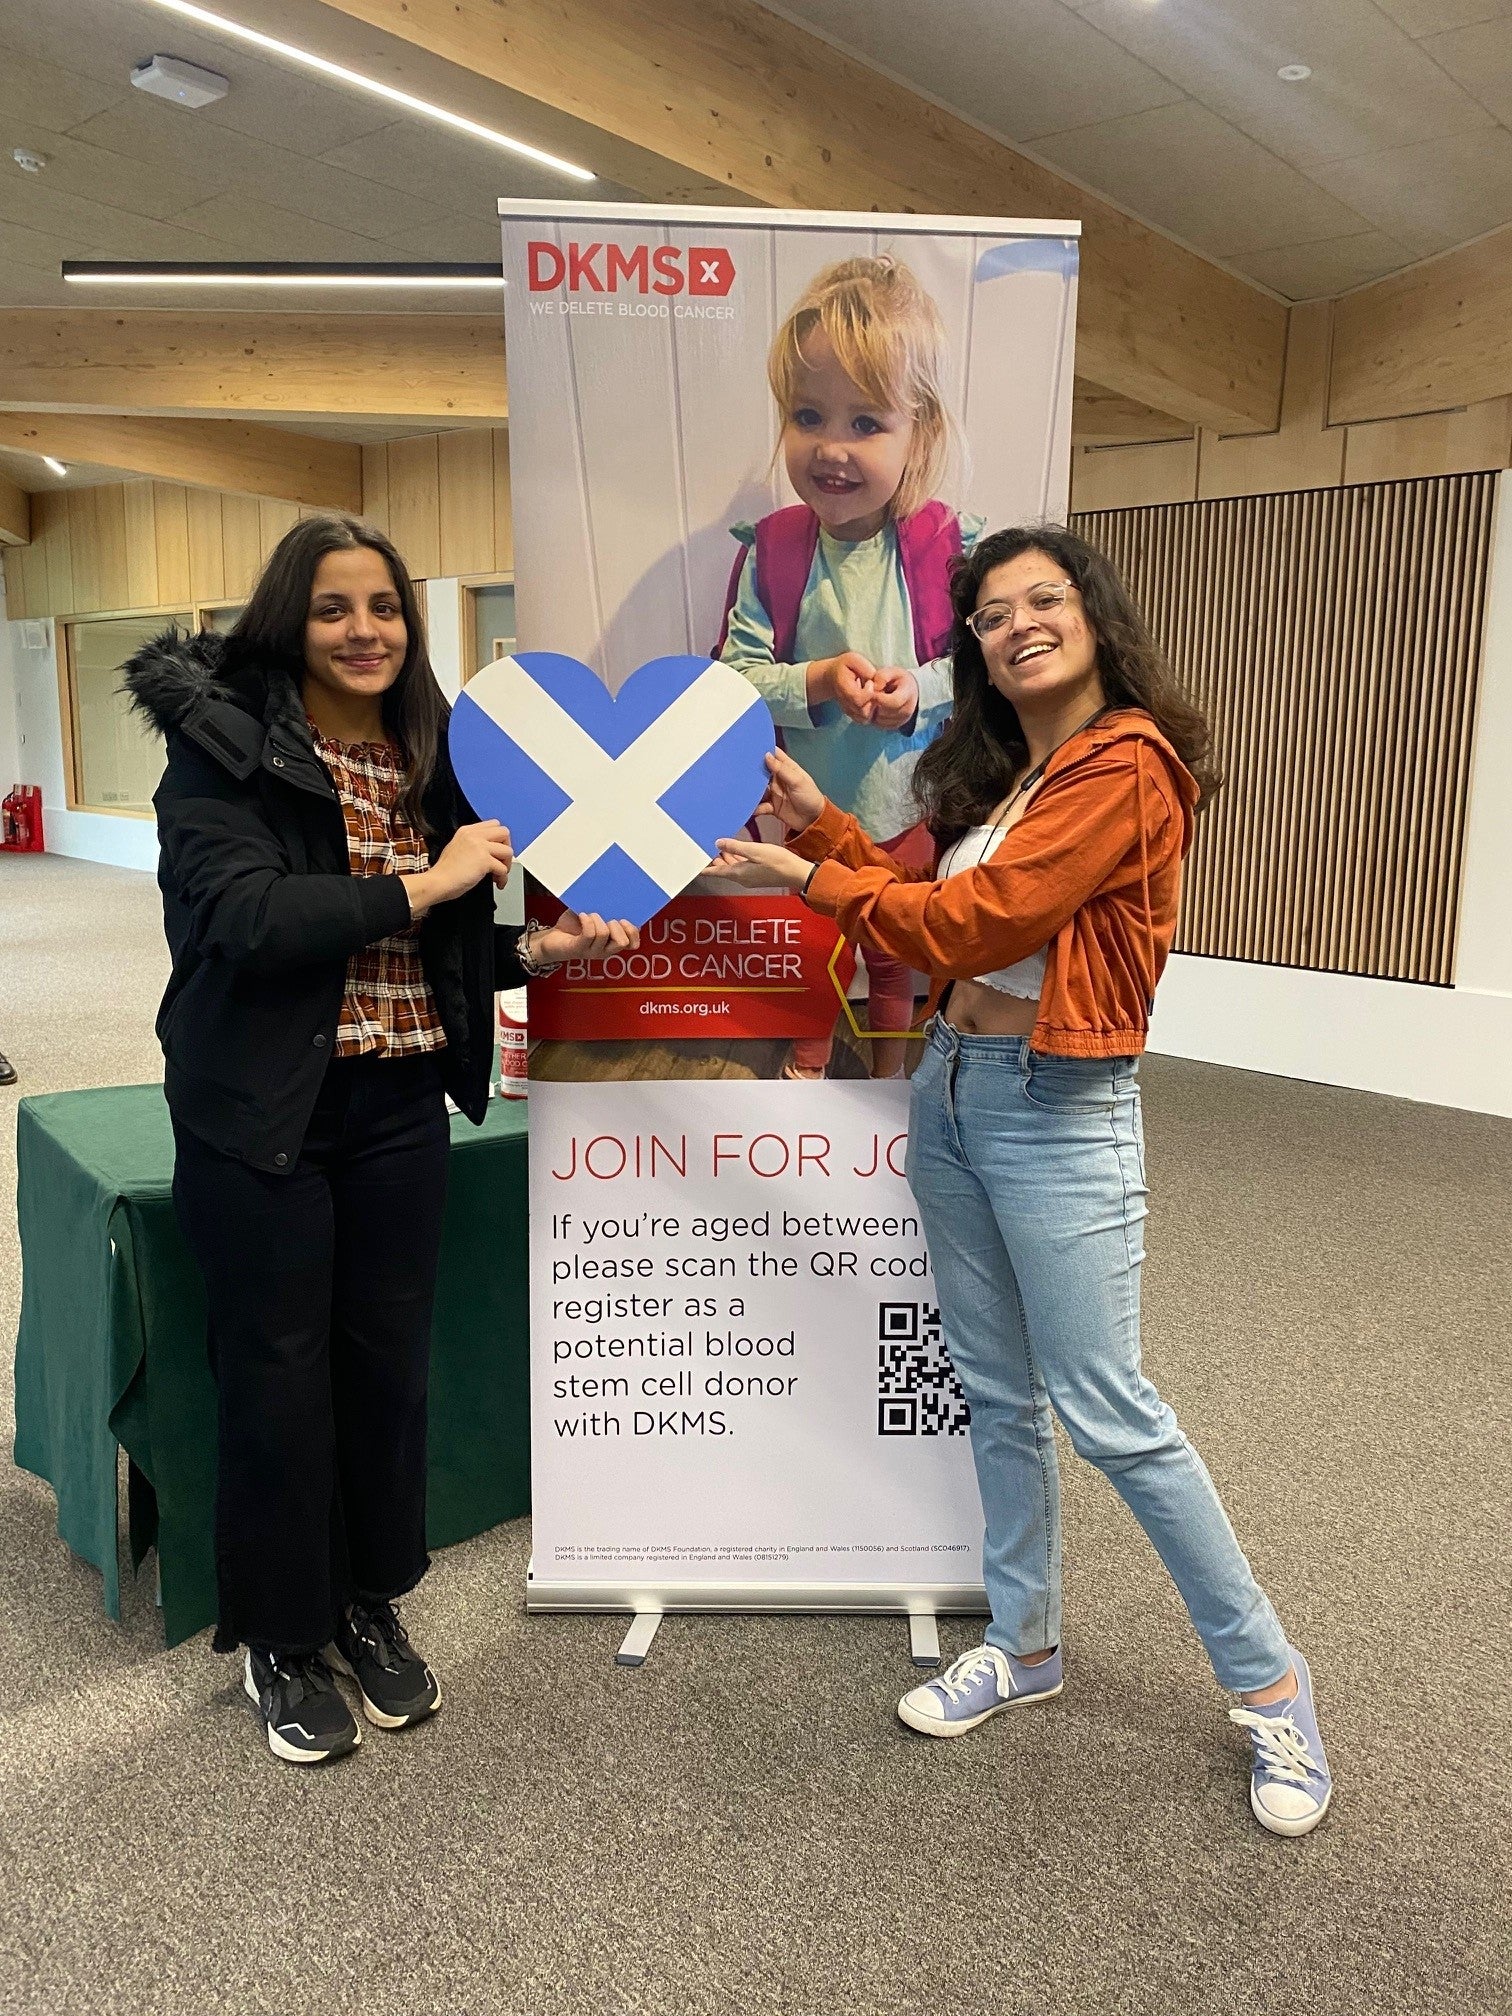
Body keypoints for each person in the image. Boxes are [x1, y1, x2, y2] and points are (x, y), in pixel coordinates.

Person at [710, 524, 1334, 1838]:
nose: (1017, 625)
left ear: (1093, 618)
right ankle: (1028, 1644)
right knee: (994, 1390)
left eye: (1043, 600)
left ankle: (1271, 1681)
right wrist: (824, 825)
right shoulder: (999, 765)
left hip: (1060, 1110)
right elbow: (910, 881)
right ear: (973, 645)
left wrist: (806, 875)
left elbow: (983, 924)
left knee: (1111, 1410)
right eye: (992, 614)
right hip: (950, 1088)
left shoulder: (1129, 765)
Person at [125, 514, 639, 1767]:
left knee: (383, 1375)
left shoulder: (432, 756)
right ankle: (279, 1637)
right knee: (279, 1381)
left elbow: (438, 958)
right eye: (335, 608)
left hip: (400, 1110)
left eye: (387, 609)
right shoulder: (221, 750)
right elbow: (246, 920)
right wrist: (433, 883)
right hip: (269, 1116)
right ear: (286, 619)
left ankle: (365, 1603)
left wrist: (536, 954)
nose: (366, 631)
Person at [717, 254, 982, 1079]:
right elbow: (733, 680)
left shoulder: (950, 547)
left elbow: (979, 673)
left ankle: (890, 1081)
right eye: (808, 416)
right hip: (808, 806)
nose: (832, 449)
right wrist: (820, 680)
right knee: (814, 941)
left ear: (921, 432)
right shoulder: (778, 551)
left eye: (867, 424)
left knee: (897, 947)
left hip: (908, 802)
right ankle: (804, 1072)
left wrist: (918, 693)